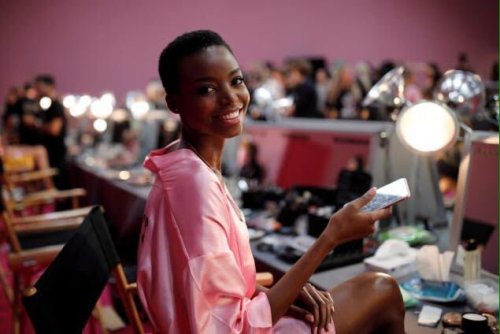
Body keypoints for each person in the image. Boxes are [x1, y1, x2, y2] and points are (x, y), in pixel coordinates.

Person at [137, 30, 405, 334]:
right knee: (384, 290)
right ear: (174, 103)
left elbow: (206, 293)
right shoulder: (193, 186)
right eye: (206, 90)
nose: (230, 98)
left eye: (236, 81)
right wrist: (331, 236)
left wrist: (280, 292)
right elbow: (231, 326)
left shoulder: (182, 166)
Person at [33, 75, 68, 189]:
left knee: (57, 184)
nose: (37, 90)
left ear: (50, 86)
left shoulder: (56, 106)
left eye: (39, 87)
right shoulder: (45, 105)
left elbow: (54, 130)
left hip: (56, 153)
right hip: (51, 151)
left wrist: (37, 124)